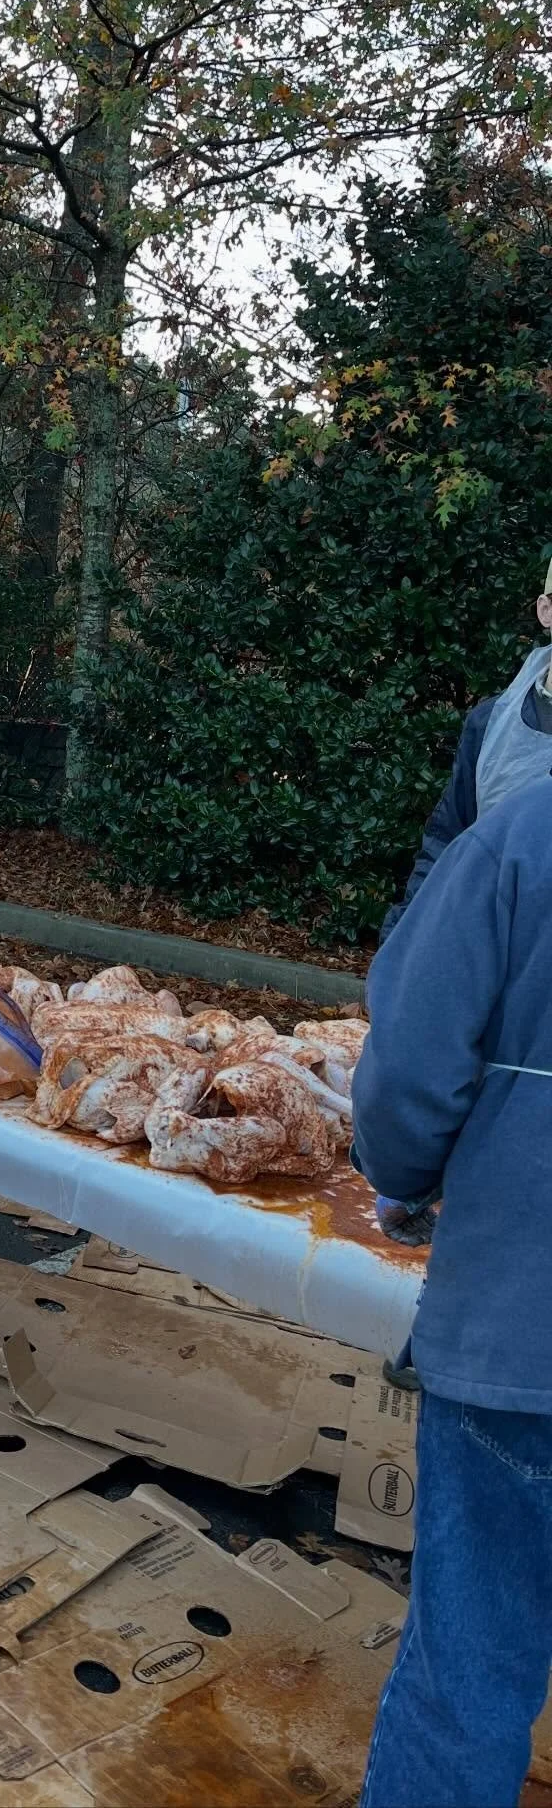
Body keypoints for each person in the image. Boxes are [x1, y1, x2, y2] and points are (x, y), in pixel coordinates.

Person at [353, 770, 552, 1808]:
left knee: (468, 1676)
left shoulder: (523, 838)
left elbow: (408, 1072)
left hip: (522, 1330)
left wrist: (407, 1181)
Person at [380, 562, 552, 941]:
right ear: (546, 610)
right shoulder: (491, 724)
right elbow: (448, 840)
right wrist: (407, 937)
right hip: (492, 952)